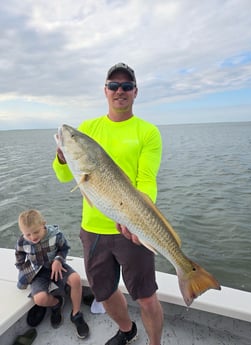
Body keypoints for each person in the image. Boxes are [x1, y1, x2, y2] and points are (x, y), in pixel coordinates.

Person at [53, 62, 164, 345]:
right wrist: (63, 157)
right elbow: (64, 175)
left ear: (135, 92)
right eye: (113, 85)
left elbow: (146, 180)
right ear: (105, 90)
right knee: (103, 292)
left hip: (132, 226)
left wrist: (139, 218)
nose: (120, 91)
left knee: (147, 296)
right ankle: (127, 330)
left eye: (126, 86)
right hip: (93, 229)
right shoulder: (88, 129)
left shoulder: (148, 132)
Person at [15, 209, 89, 339]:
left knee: (76, 279)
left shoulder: (56, 235)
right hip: (38, 271)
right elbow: (19, 257)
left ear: (43, 224)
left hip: (57, 266)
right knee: (39, 299)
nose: (32, 237)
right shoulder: (22, 241)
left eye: (36, 232)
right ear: (22, 233)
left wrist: (58, 260)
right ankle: (56, 303)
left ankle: (76, 313)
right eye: (28, 234)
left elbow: (64, 248)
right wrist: (25, 271)